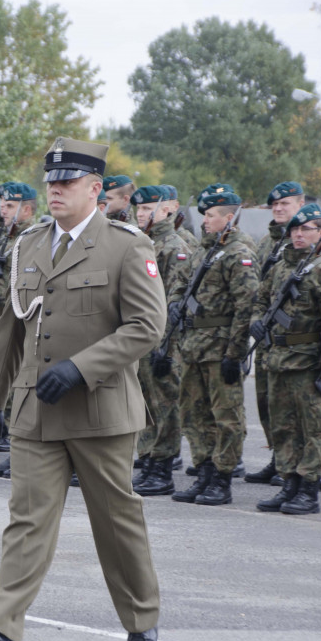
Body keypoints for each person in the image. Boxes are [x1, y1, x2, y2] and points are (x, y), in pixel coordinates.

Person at [0, 137, 164, 641]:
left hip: (100, 410)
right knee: (26, 522)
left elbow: (147, 327)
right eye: (51, 182)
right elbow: (11, 330)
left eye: (67, 183)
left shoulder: (126, 245)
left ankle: (141, 620)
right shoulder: (30, 244)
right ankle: (2, 631)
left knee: (115, 520)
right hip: (35, 410)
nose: (56, 191)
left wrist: (80, 368)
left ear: (96, 188)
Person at [250, 204, 321, 514]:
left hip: (308, 362)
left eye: (306, 229)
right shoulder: (280, 267)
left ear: (320, 232)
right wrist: (256, 320)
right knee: (282, 427)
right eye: (295, 230)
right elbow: (260, 299)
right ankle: (288, 482)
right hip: (278, 359)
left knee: (311, 428)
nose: (299, 234)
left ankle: (308, 489)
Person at [170, 191, 259, 506]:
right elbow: (181, 285)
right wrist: (174, 305)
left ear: (229, 217)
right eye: (204, 215)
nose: (204, 220)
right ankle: (204, 472)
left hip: (220, 348)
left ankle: (221, 479)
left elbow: (246, 307)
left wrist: (235, 354)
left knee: (226, 416)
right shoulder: (202, 251)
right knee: (194, 414)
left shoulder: (238, 254)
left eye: (210, 215)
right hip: (194, 347)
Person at [130, 185, 191, 496]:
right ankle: (149, 459)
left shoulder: (173, 247)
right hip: (140, 336)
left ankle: (163, 467)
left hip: (163, 340)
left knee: (165, 403)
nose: (142, 214)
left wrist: (166, 346)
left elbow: (174, 303)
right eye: (138, 209)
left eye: (148, 208)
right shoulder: (143, 244)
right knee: (145, 403)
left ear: (167, 209)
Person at [245, 181, 306, 485]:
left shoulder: (307, 240)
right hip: (268, 338)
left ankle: (293, 464)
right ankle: (277, 456)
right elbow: (259, 289)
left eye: (286, 204)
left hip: (295, 339)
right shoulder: (266, 244)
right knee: (267, 402)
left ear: (301, 204)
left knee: (293, 408)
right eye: (275, 205)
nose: (279, 209)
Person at [0, 181, 39, 476]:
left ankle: (19, 451)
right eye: (2, 205)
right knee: (10, 390)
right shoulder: (8, 237)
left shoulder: (33, 239)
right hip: (6, 320)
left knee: (22, 390)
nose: (2, 210)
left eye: (9, 206)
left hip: (25, 322)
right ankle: (15, 448)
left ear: (27, 209)